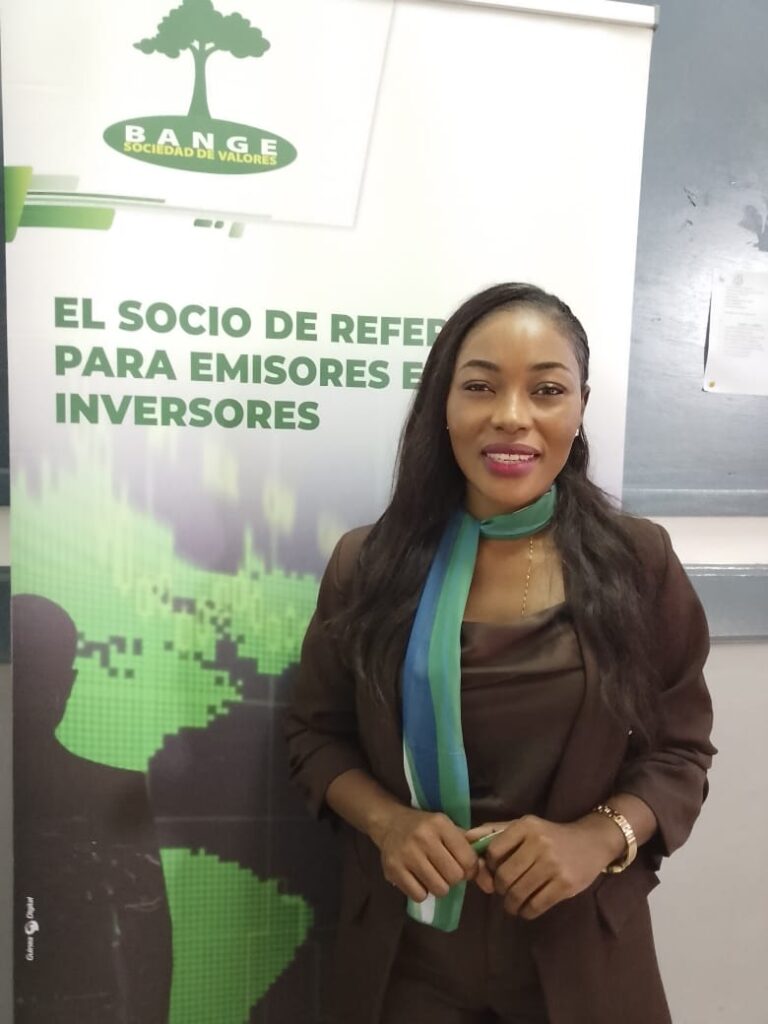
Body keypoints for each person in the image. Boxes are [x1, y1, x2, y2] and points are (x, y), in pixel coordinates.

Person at [284, 283, 715, 1024]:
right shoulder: (367, 564)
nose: (512, 416)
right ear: (442, 406)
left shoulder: (638, 562)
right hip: (405, 959)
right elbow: (313, 737)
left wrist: (596, 838)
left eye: (547, 390)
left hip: (582, 952)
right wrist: (389, 824)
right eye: (481, 386)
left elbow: (681, 751)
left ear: (579, 408)